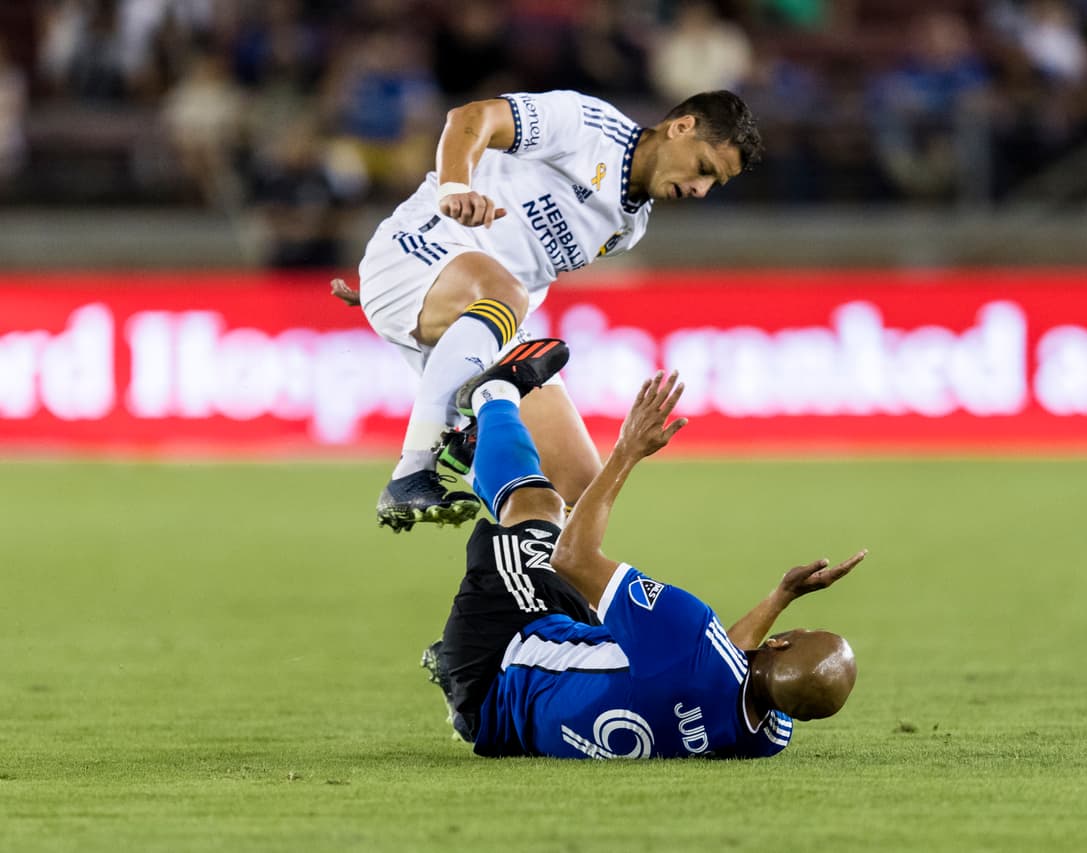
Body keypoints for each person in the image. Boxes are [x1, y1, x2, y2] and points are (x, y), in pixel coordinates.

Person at [332, 87, 763, 532]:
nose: (700, 189)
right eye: (703, 169)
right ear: (681, 127)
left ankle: (487, 477)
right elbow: (471, 117)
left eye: (713, 184)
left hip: (476, 312)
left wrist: (432, 297)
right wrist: (455, 188)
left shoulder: (628, 228)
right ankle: (414, 470)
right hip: (419, 249)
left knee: (577, 490)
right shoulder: (587, 125)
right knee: (507, 297)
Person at [425, 338, 866, 758]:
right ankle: (472, 455)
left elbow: (571, 559)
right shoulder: (764, 737)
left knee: (540, 508)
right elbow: (718, 670)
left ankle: (493, 395)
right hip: (501, 726)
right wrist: (779, 597)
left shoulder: (687, 628)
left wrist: (628, 450)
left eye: (804, 633)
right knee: (579, 514)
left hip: (498, 658)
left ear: (781, 644)